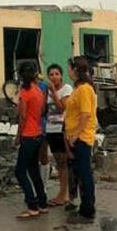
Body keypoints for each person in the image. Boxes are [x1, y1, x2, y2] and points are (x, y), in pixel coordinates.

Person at [64, 56, 97, 224]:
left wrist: (76, 134)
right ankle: (85, 207)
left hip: (82, 138)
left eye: (69, 68)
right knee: (81, 173)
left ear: (76, 69)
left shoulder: (84, 89)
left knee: (84, 175)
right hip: (76, 137)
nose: (68, 71)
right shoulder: (78, 89)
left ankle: (87, 211)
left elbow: (85, 114)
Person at [15, 62, 48, 219]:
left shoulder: (24, 93)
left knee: (20, 172)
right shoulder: (38, 91)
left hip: (28, 135)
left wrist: (17, 137)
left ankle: (32, 204)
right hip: (38, 133)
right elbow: (42, 112)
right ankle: (42, 203)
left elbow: (22, 117)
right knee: (34, 170)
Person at [44, 64, 73, 207]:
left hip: (61, 129)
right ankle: (62, 192)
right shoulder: (47, 92)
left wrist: (54, 92)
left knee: (64, 162)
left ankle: (64, 193)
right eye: (51, 74)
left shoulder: (66, 89)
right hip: (50, 129)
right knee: (59, 163)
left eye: (57, 74)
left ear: (61, 75)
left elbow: (62, 108)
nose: (54, 77)